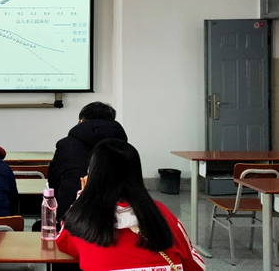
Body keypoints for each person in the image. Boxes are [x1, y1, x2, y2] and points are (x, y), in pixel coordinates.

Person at [57, 139, 205, 271]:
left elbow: (65, 245)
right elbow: (195, 266)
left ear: (92, 174)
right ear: (136, 174)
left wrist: (83, 199)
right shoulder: (161, 213)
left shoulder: (80, 216)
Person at [40, 101, 127, 230]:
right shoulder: (125, 147)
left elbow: (54, 180)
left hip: (71, 216)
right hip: (119, 218)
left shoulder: (66, 145)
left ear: (81, 121)